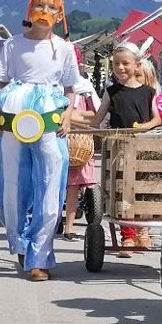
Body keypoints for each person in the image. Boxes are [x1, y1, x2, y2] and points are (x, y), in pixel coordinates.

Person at [0, 0, 82, 282]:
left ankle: (39, 256)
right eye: (41, 6)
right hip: (14, 118)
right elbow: (0, 83)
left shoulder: (65, 49)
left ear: (60, 13)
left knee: (50, 184)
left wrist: (68, 113)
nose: (46, 12)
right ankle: (18, 241)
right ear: (31, 9)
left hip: (49, 119)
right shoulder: (12, 45)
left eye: (53, 7)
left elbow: (71, 89)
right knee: (12, 184)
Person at [90, 40, 162, 256]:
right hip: (119, 148)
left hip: (143, 147)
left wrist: (143, 127)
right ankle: (128, 236)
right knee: (123, 191)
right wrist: (82, 123)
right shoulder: (111, 92)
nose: (120, 68)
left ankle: (143, 232)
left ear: (137, 65)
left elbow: (157, 118)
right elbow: (98, 119)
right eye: (116, 64)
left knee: (143, 190)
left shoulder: (148, 92)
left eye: (125, 64)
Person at [61, 76, 100, 241]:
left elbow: (95, 115)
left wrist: (72, 117)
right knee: (63, 187)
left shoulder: (85, 88)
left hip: (81, 144)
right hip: (62, 140)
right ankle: (60, 224)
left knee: (74, 187)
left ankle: (69, 226)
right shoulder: (56, 86)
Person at [138, 55, 162, 127]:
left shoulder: (158, 99)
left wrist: (141, 127)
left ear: (148, 77)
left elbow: (160, 122)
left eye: (137, 75)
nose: (134, 78)